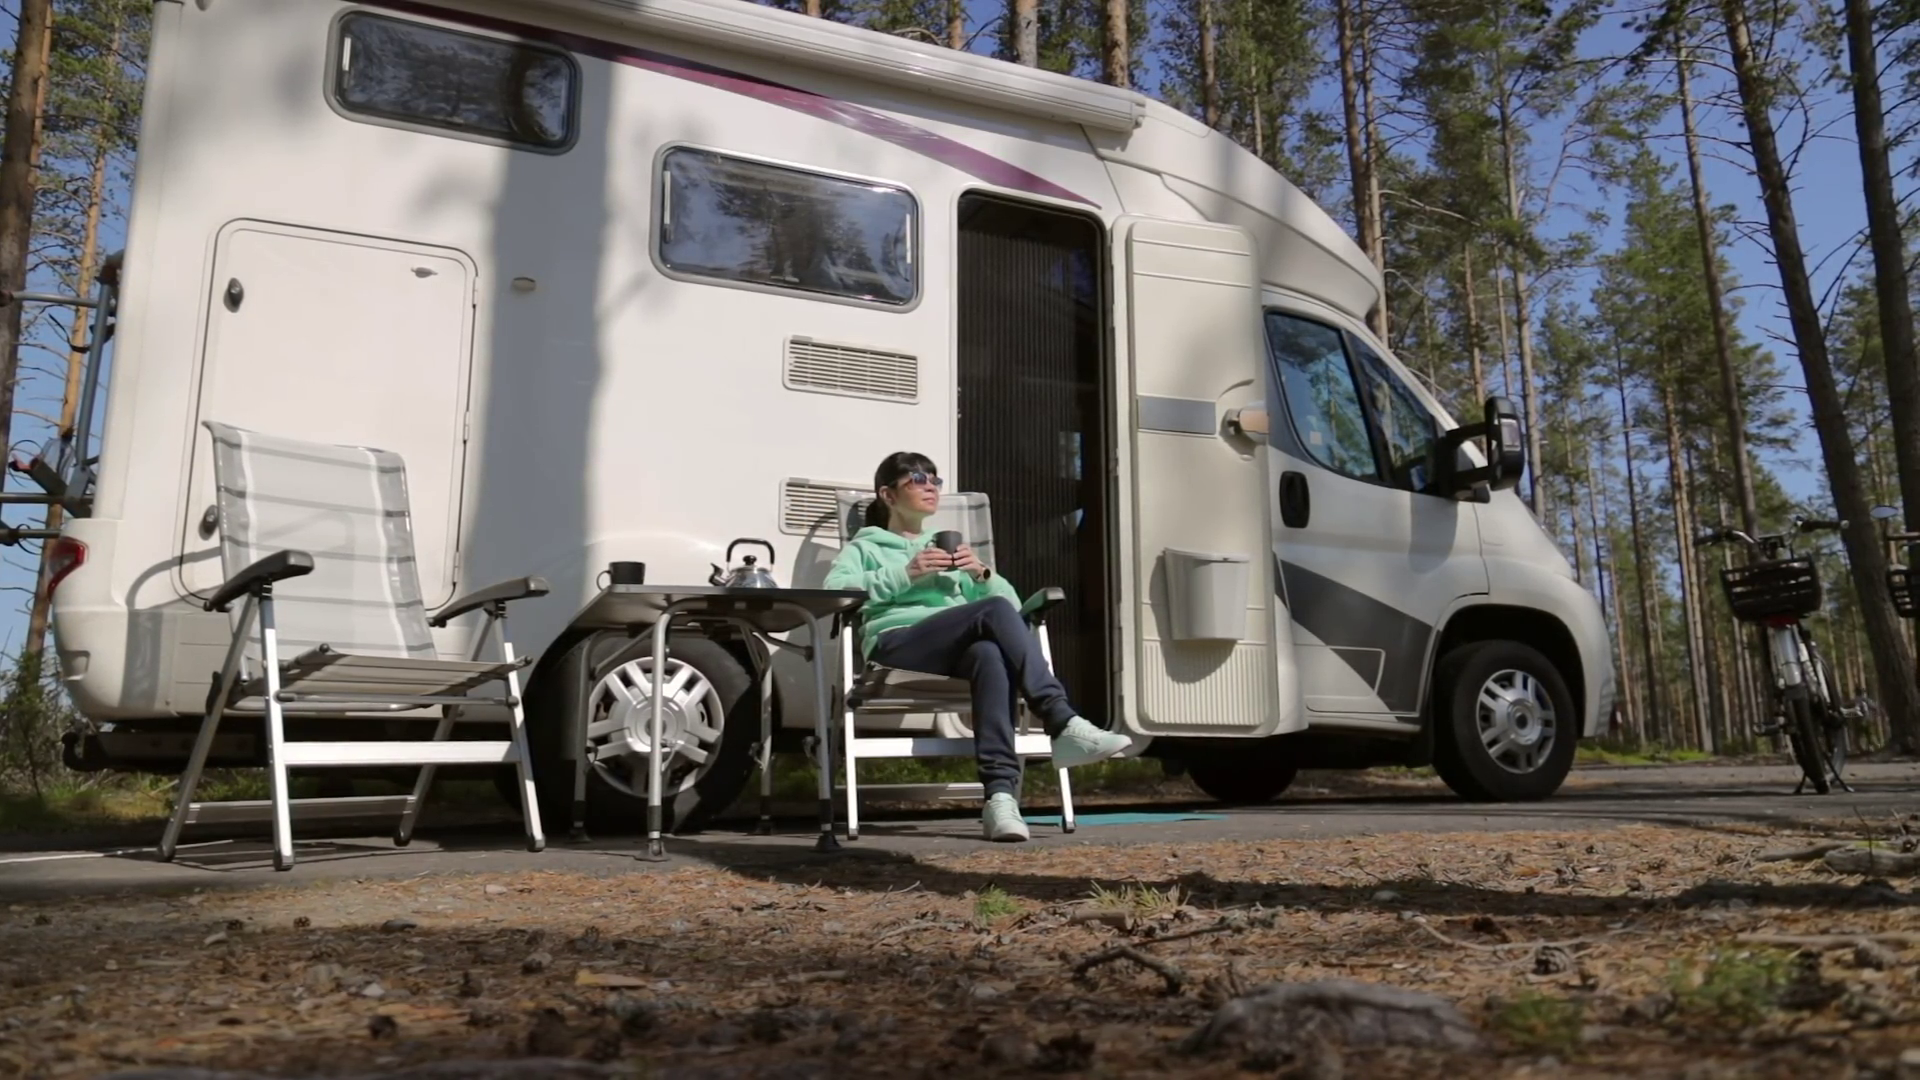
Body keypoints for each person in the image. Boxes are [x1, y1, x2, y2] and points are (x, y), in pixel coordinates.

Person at [826, 451, 1132, 842]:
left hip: (951, 650)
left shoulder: (950, 549)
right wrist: (906, 573)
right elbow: (836, 592)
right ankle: (1061, 720)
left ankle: (1000, 799)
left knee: (989, 654)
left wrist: (981, 573)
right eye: (917, 479)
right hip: (897, 646)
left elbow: (1012, 610)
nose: (930, 487)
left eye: (934, 479)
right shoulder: (865, 547)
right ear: (887, 495)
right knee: (991, 613)